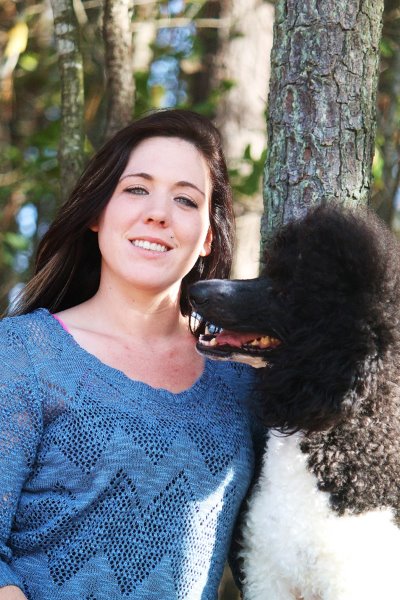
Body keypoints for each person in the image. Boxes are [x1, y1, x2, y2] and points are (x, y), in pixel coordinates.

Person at [0, 109, 257, 599]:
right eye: (137, 189)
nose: (158, 213)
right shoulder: (23, 355)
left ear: (207, 237)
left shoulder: (241, 383)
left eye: (185, 199)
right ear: (97, 213)